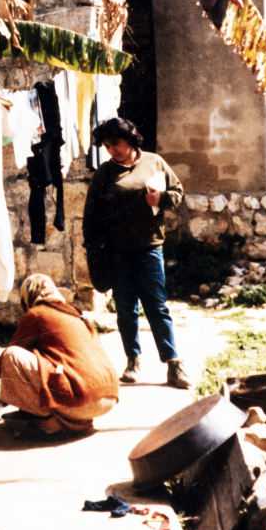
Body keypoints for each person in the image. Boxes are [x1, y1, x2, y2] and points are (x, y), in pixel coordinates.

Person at [82, 117, 191, 389]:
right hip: (118, 252)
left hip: (150, 248)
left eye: (115, 143)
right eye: (106, 146)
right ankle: (133, 361)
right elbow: (91, 215)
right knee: (126, 310)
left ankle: (174, 364)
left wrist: (161, 199)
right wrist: (95, 251)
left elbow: (178, 191)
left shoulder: (154, 162)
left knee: (157, 307)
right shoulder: (104, 173)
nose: (111, 150)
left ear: (130, 139)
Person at [0, 274, 119, 437]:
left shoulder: (36, 313)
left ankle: (50, 422)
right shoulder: (78, 314)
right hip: (109, 397)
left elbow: (7, 360)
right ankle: (76, 421)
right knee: (51, 363)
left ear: (27, 298)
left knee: (12, 355)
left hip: (81, 401)